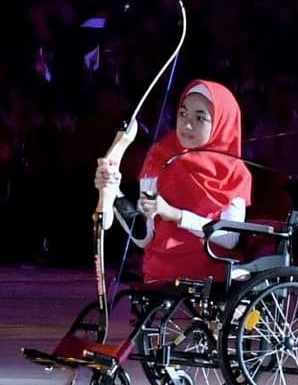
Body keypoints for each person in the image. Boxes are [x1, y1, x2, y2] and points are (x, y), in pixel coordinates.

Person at [94, 79, 252, 283]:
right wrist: (113, 193)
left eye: (200, 118)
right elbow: (144, 237)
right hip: (161, 273)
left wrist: (175, 215)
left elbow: (230, 239)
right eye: (183, 113)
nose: (187, 124)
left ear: (222, 122)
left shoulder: (236, 172)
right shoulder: (160, 157)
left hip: (213, 275)